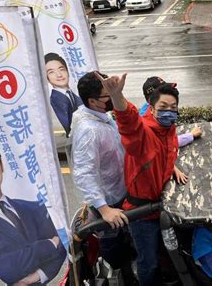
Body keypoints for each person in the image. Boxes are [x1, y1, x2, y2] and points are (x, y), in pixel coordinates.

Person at [95, 72, 187, 285]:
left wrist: (172, 168)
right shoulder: (143, 133)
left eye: (173, 108)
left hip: (162, 207)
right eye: (163, 107)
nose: (169, 112)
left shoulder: (168, 130)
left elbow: (163, 154)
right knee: (149, 261)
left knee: (171, 253)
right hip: (142, 214)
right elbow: (129, 122)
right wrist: (117, 96)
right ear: (151, 108)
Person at [0, 129, 66, 285]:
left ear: (1, 163)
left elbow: (62, 247)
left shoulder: (32, 206)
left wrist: (37, 275)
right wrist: (50, 244)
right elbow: (10, 271)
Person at [70, 72, 137, 284]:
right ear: (92, 101)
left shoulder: (100, 117)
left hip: (122, 190)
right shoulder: (89, 130)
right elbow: (84, 172)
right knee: (115, 252)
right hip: (110, 202)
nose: (113, 97)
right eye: (108, 94)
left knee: (126, 246)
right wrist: (104, 208)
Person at [139, 76, 202, 147]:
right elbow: (163, 144)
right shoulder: (145, 122)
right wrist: (190, 135)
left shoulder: (153, 110)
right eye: (164, 91)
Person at [44, 53, 83, 136]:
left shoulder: (79, 96)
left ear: (67, 71)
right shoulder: (52, 103)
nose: (59, 75)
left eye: (61, 69)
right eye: (51, 72)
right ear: (47, 78)